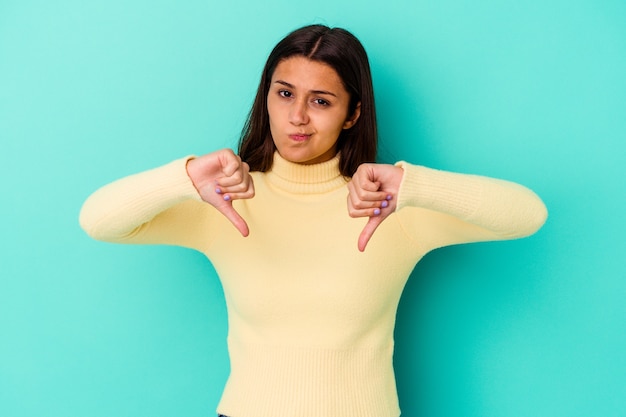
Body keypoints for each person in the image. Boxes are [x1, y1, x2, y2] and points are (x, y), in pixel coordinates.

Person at [79, 24, 547, 417]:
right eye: (284, 94)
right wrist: (182, 179)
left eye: (321, 101)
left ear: (352, 114)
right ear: (267, 97)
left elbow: (528, 214)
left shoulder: (389, 208)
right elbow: (97, 220)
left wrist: (413, 186)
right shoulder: (226, 201)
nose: (297, 117)